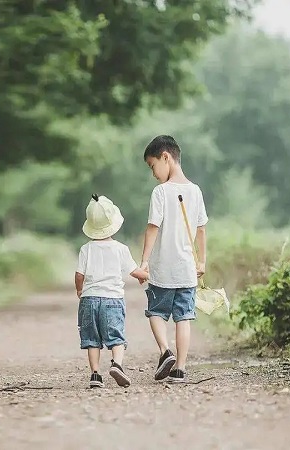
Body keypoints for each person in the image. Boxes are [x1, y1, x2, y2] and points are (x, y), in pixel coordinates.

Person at [139, 135, 208, 383]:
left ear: (165, 157)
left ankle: (165, 351)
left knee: (156, 312)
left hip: (163, 269)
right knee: (184, 318)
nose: (153, 173)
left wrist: (144, 262)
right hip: (187, 270)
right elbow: (201, 229)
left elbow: (152, 228)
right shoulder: (196, 191)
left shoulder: (161, 192)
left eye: (152, 166)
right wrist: (202, 262)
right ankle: (180, 368)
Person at [75, 194, 148, 388]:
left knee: (91, 339)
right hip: (112, 301)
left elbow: (79, 275)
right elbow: (134, 271)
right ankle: (117, 364)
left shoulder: (86, 249)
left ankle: (95, 375)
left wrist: (80, 290)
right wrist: (145, 275)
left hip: (89, 300)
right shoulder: (121, 249)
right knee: (116, 337)